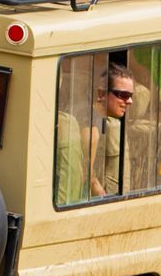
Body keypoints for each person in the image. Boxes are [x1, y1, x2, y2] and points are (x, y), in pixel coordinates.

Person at [55, 63, 138, 204]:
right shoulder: (91, 128)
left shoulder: (103, 120)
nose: (129, 101)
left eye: (131, 95)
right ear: (101, 94)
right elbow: (85, 175)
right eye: (123, 95)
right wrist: (98, 189)